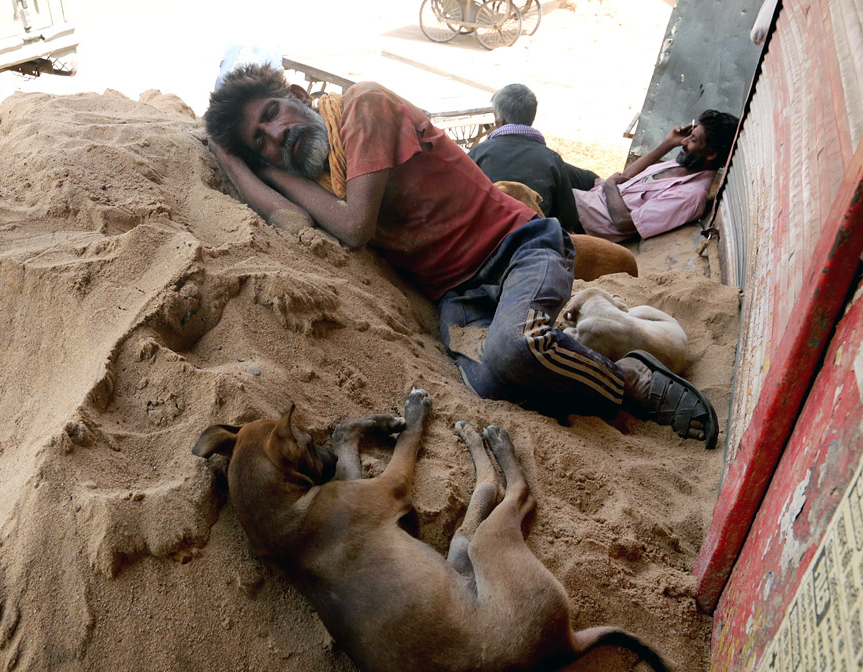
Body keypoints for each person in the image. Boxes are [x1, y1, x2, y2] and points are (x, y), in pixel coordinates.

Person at [203, 64, 719, 448]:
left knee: (513, 351)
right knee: (487, 382)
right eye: (261, 142)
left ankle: (631, 377)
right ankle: (577, 358)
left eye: (272, 113)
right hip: (460, 291)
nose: (278, 135)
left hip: (522, 246)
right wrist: (249, 166)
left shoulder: (363, 105)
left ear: (296, 94)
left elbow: (354, 228)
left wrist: (266, 166)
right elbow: (291, 221)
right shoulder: (318, 177)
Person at [573, 110, 739, 242]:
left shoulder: (690, 195)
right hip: (598, 193)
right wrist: (668, 143)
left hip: (593, 217)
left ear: (711, 155)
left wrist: (610, 185)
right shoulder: (685, 164)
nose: (684, 141)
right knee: (551, 160)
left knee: (549, 168)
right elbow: (625, 177)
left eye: (693, 140)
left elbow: (624, 223)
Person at [468, 83, 597, 232]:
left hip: (489, 239)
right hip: (536, 240)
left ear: (498, 121)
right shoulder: (551, 158)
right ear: (531, 118)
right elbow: (568, 218)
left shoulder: (477, 153)